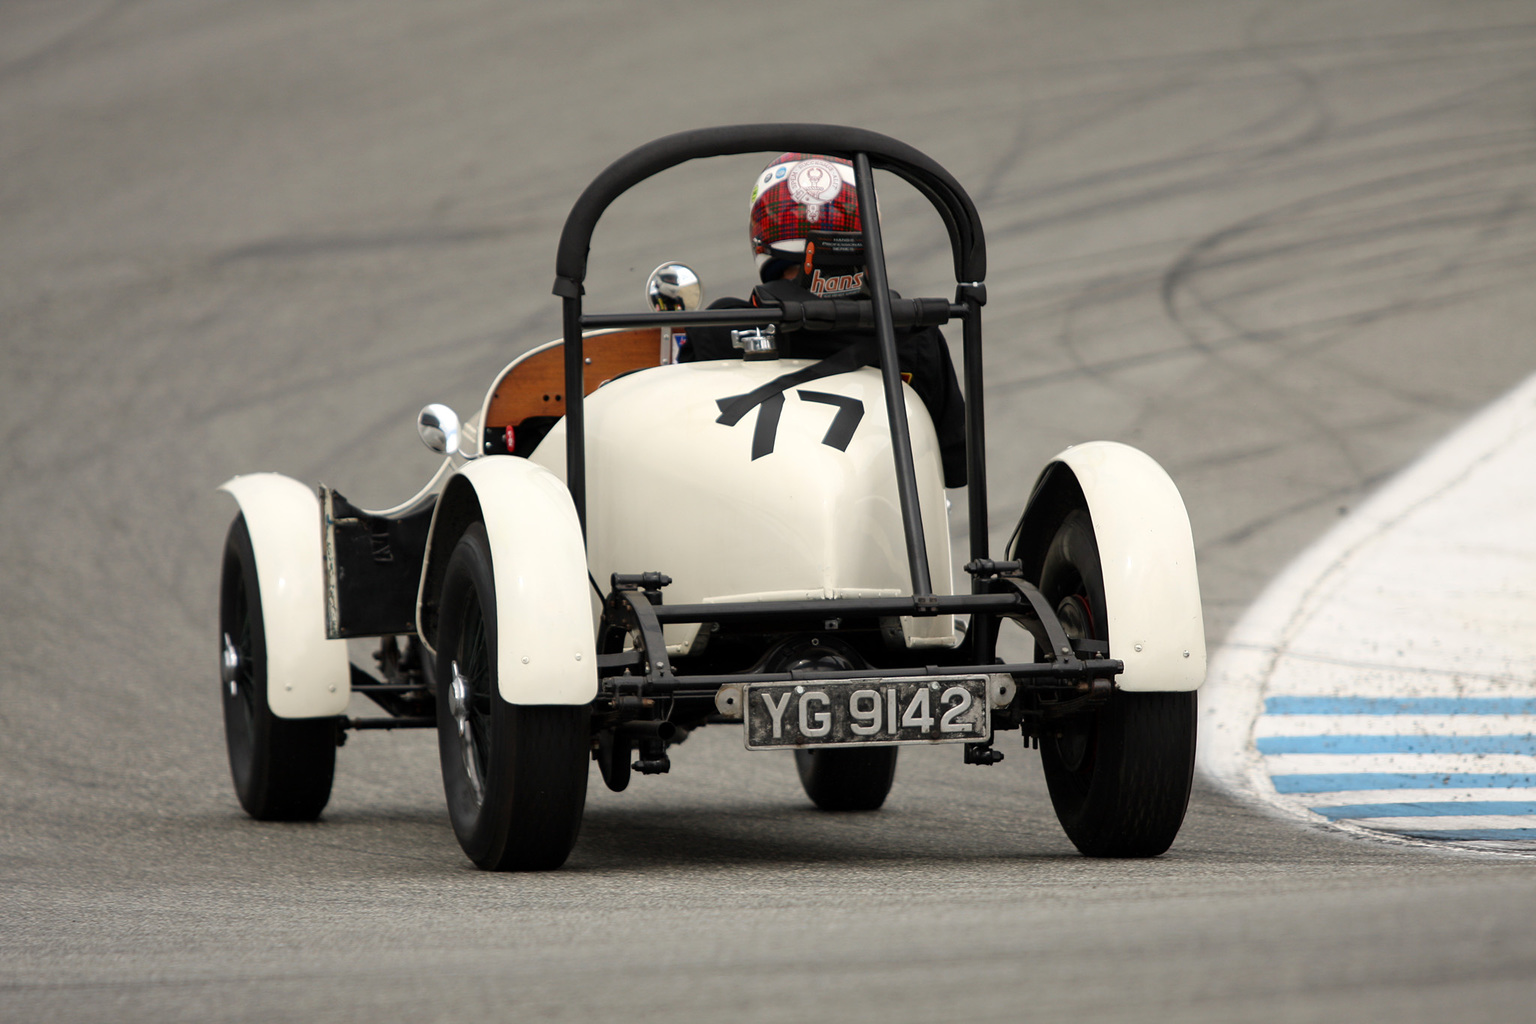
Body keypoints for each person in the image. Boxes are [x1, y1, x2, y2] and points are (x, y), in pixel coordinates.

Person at [677, 153, 967, 489]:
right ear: (867, 230)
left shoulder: (723, 327)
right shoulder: (911, 331)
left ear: (764, 230)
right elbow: (956, 466)